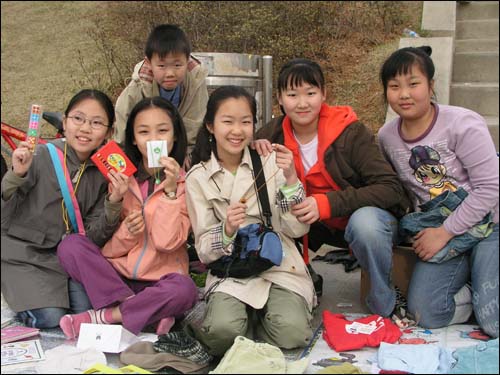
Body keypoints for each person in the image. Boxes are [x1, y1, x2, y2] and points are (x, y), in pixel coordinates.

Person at [255, 58, 411, 319]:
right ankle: (296, 278)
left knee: (366, 224)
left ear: (324, 94)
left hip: (360, 220)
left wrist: (326, 203)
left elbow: (391, 188)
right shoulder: (271, 136)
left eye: (311, 93)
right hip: (312, 227)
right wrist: (250, 143)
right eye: (292, 95)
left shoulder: (351, 133)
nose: (302, 103)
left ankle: (383, 301)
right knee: (267, 214)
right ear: (280, 99)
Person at [186, 85, 316, 356]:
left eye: (245, 122)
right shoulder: (198, 177)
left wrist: (291, 179)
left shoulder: (268, 161)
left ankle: (262, 318)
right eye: (227, 122)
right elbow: (203, 249)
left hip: (277, 263)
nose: (237, 130)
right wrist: (227, 229)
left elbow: (296, 226)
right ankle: (243, 319)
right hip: (231, 268)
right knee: (222, 334)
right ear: (210, 125)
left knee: (293, 333)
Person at [378, 46, 499, 338]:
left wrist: (445, 232)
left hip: (490, 223)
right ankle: (475, 290)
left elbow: (490, 188)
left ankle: (485, 291)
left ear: (431, 86)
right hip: (440, 230)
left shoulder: (462, 123)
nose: (404, 94)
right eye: (394, 87)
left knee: (494, 323)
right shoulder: (387, 137)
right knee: (426, 313)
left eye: (413, 84)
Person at [57, 97, 198, 338]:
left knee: (185, 290)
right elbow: (107, 251)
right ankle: (142, 312)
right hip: (116, 280)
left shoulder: (188, 183)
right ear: (133, 138)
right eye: (144, 132)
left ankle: (105, 316)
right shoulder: (122, 177)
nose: (153, 139)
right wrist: (126, 231)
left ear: (175, 136)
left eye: (162, 130)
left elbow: (167, 243)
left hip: (160, 281)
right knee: (70, 245)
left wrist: (171, 191)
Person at [1, 89, 123, 329]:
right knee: (51, 317)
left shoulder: (105, 172)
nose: (85, 128)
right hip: (23, 255)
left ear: (109, 132)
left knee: (88, 317)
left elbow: (93, 237)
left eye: (96, 123)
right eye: (78, 118)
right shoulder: (39, 156)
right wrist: (16, 174)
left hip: (64, 260)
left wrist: (114, 202)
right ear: (65, 122)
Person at [114, 24, 208, 153]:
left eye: (177, 65)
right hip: (143, 152)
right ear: (149, 63)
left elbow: (197, 122)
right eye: (162, 66)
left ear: (187, 60)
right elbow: (122, 132)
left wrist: (187, 153)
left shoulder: (196, 81)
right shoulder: (137, 87)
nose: (170, 73)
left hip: (183, 150)